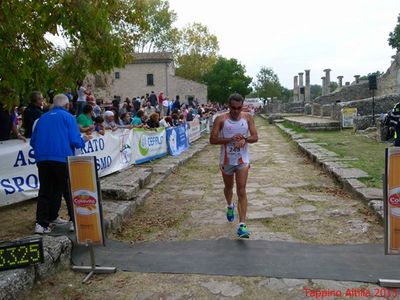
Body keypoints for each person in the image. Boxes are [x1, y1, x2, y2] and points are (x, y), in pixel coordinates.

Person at [30, 94, 89, 234]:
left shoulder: (42, 118)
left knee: (45, 190)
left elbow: (33, 141)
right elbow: (75, 140)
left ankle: (41, 223)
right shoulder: (68, 117)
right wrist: (84, 140)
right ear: (67, 105)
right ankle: (74, 221)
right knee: (68, 190)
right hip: (61, 157)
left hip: (42, 159)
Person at [209, 93, 258, 238]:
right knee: (228, 188)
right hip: (226, 160)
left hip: (242, 160)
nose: (236, 111)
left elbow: (255, 136)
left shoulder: (247, 118)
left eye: (239, 108)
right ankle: (230, 205)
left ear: (242, 106)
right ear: (228, 106)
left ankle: (242, 225)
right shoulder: (221, 119)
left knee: (241, 190)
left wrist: (245, 140)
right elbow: (212, 139)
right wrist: (230, 140)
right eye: (233, 107)